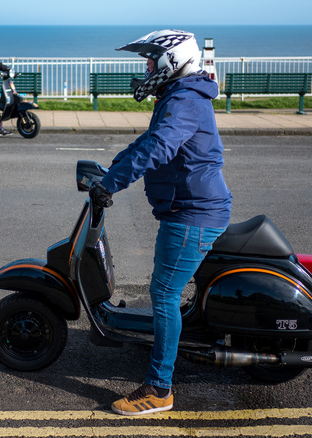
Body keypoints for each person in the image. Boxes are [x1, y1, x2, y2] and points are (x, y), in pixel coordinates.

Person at [90, 29, 232, 416]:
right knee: (166, 292)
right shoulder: (181, 95)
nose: (148, 67)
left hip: (192, 214)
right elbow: (148, 141)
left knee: (164, 294)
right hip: (189, 209)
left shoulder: (184, 98)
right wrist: (112, 170)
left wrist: (112, 183)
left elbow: (160, 147)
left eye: (152, 60)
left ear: (172, 61)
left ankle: (159, 389)